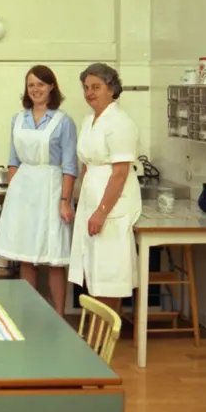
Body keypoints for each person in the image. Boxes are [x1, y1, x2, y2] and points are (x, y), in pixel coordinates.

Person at [0, 65, 79, 315]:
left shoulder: (63, 122)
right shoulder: (18, 120)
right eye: (31, 85)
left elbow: (70, 166)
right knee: (26, 256)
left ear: (51, 87)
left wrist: (64, 201)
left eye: (41, 84)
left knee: (54, 258)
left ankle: (59, 316)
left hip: (52, 190)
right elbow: (13, 161)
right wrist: (13, 196)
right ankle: (27, 314)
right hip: (24, 191)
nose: (36, 89)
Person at [68, 62, 143, 317]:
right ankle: (96, 330)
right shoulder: (89, 120)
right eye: (86, 87)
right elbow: (87, 163)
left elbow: (120, 174)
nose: (89, 93)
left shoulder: (120, 122)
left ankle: (106, 331)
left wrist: (101, 211)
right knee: (93, 268)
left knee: (109, 271)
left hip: (111, 206)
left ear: (111, 89)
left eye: (96, 87)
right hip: (90, 200)